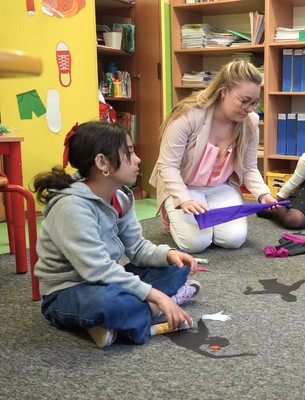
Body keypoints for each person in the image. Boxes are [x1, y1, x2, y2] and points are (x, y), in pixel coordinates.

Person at [33, 122, 202, 348]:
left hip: (106, 279)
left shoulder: (120, 196)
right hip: (68, 290)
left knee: (176, 265)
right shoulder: (71, 207)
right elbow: (98, 269)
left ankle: (123, 319)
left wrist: (168, 255)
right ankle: (153, 308)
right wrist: (158, 297)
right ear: (102, 162)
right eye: (129, 153)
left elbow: (138, 248)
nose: (138, 159)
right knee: (112, 303)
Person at [150, 60, 277, 254]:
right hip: (185, 186)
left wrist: (263, 194)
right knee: (196, 244)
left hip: (221, 187)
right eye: (245, 101)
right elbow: (167, 166)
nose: (250, 108)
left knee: (233, 240)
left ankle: (201, 222)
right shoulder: (188, 116)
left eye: (254, 102)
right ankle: (172, 214)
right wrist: (183, 200)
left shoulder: (249, 121)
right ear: (224, 92)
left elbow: (249, 168)